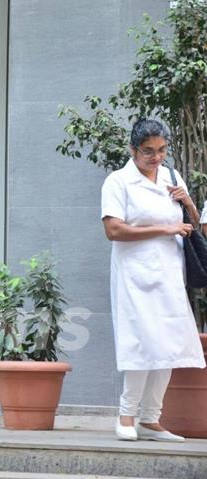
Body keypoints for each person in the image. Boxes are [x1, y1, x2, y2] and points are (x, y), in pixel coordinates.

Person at [101, 119, 206, 442]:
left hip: (169, 273)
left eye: (161, 150)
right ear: (133, 150)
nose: (156, 157)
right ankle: (127, 415)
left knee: (170, 343)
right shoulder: (118, 182)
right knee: (141, 342)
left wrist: (186, 201)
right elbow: (113, 230)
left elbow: (193, 224)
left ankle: (151, 418)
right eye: (148, 151)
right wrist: (165, 229)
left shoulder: (171, 177)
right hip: (134, 276)